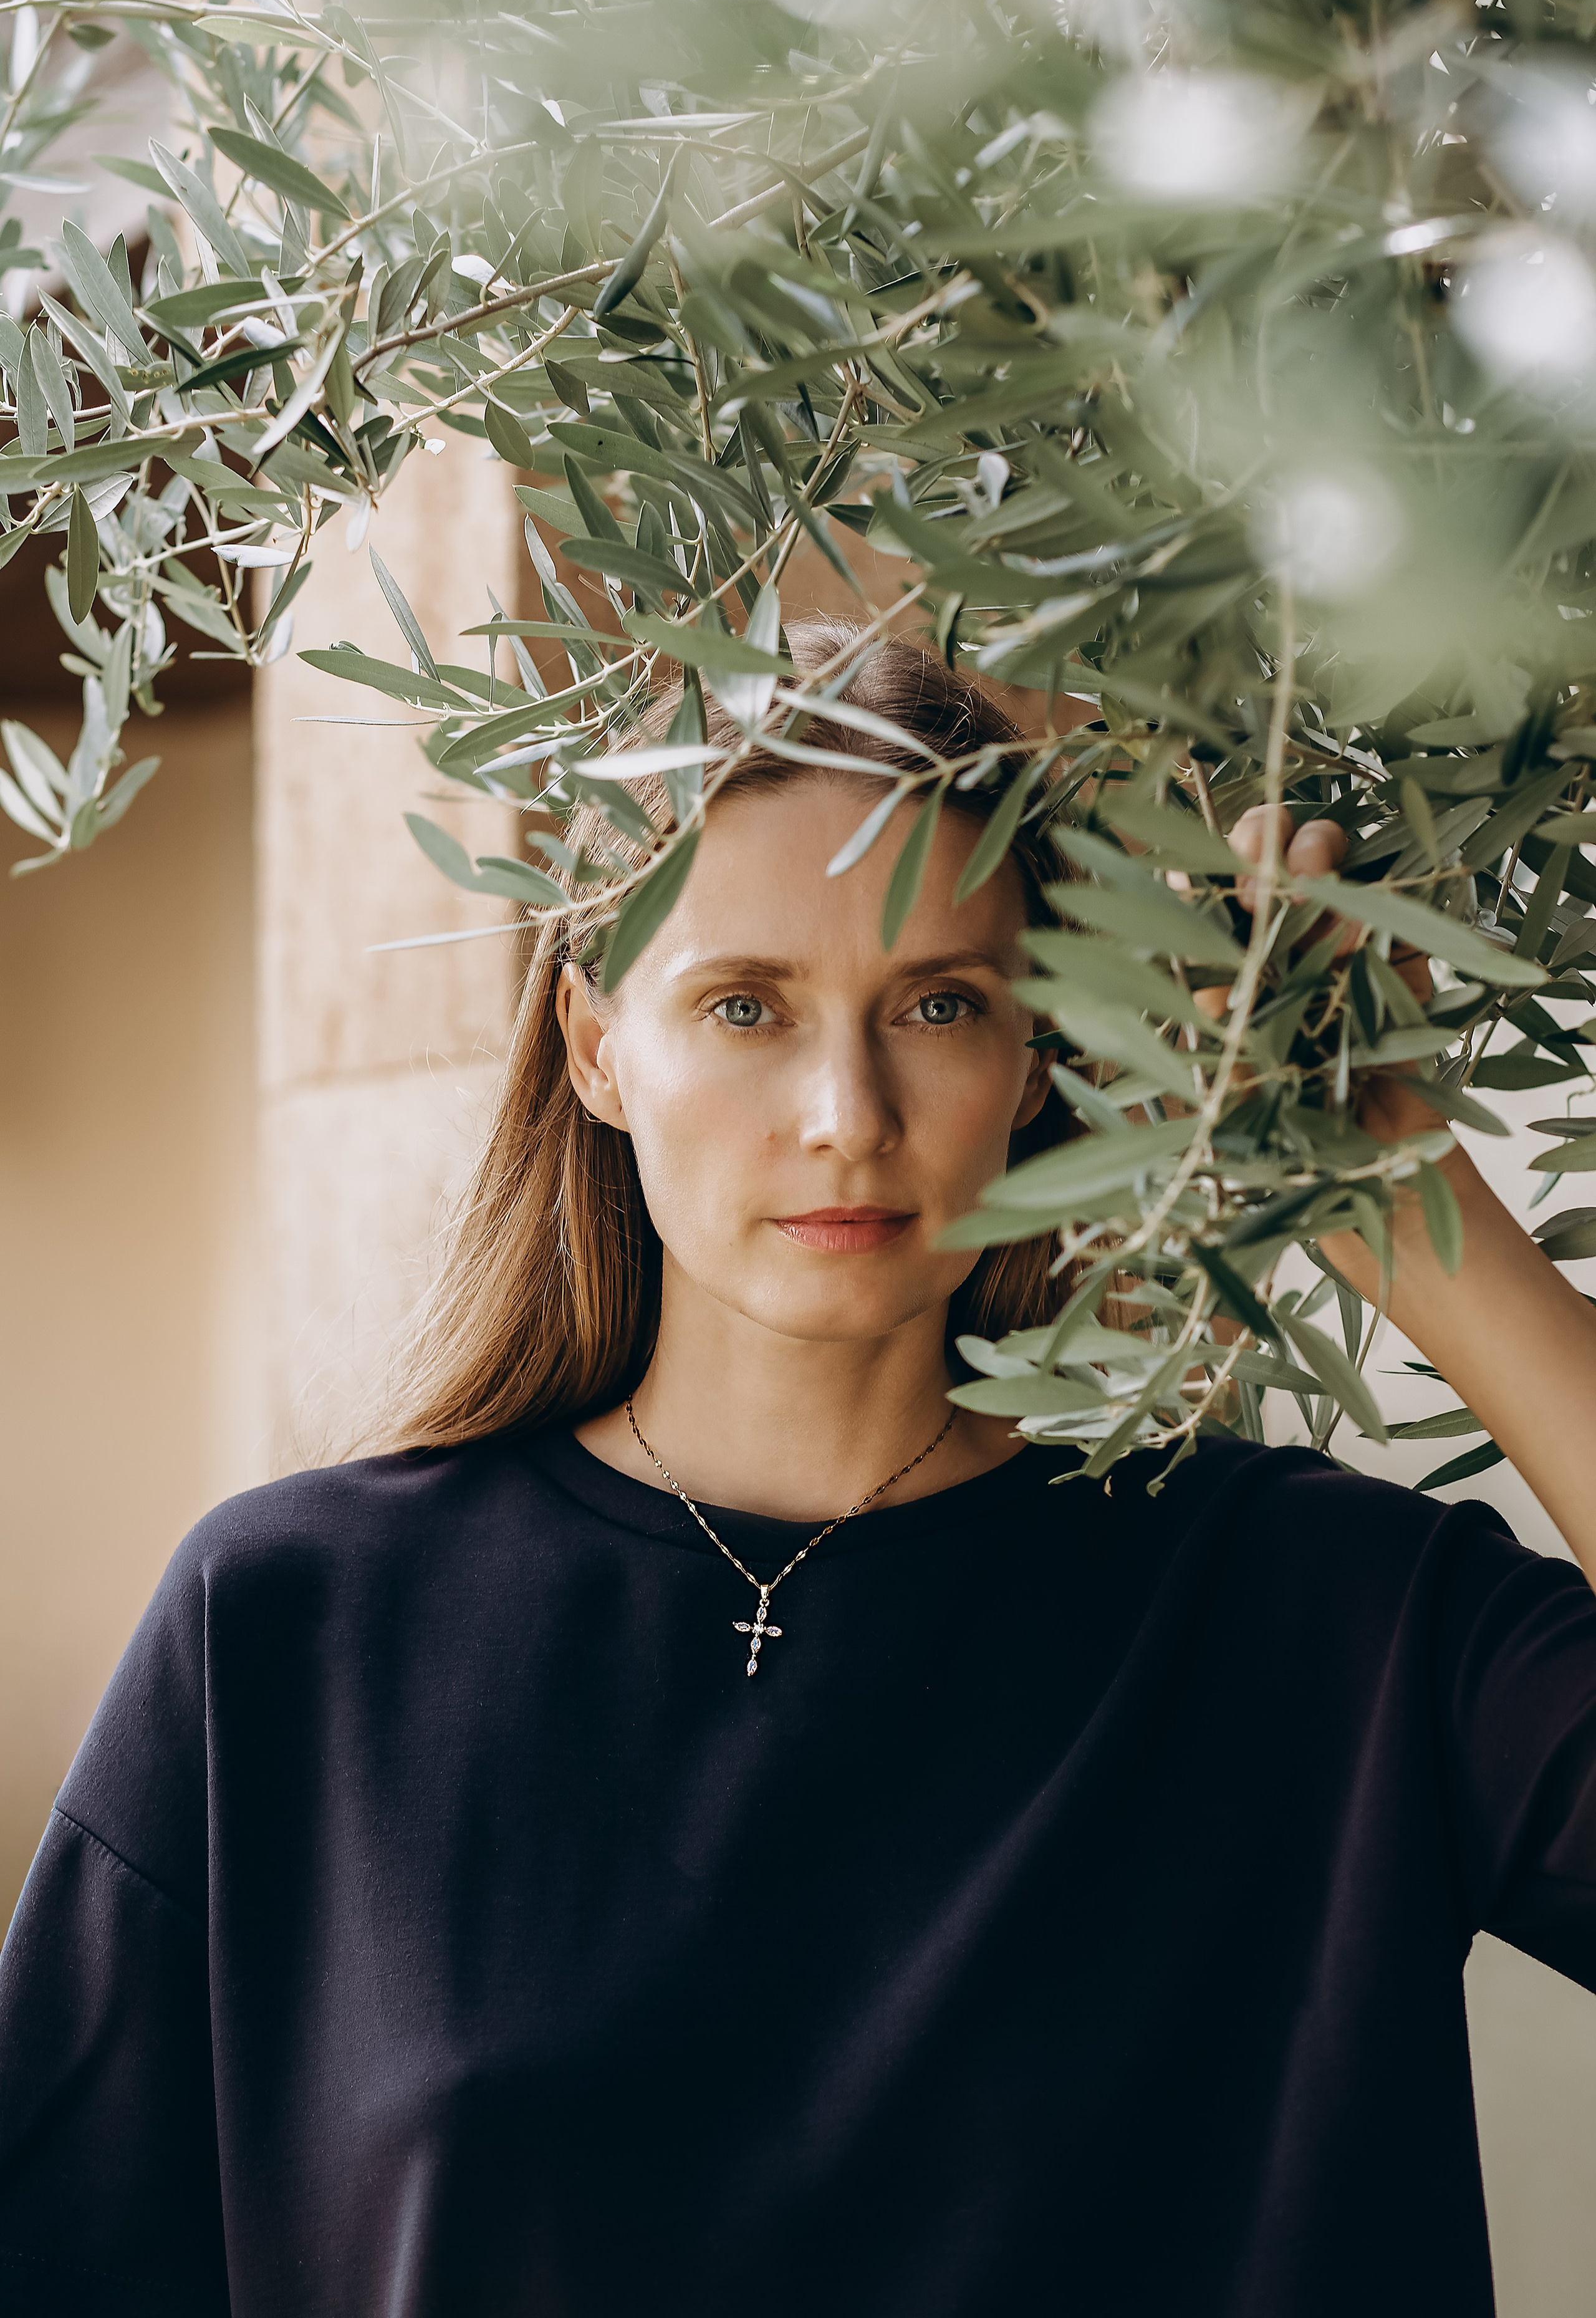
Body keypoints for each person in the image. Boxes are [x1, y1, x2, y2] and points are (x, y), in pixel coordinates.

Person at [2, 624, 1595, 2318]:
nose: (849, 1108)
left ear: (1039, 1060)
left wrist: (1409, 1204)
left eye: (940, 1004)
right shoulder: (289, 1630)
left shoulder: (1320, 1621)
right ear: (601, 1046)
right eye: (746, 1004)